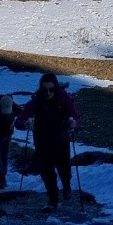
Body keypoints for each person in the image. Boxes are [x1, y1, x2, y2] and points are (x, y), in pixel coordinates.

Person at [15, 73, 79, 210]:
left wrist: (74, 123)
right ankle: (53, 199)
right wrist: (25, 124)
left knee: (64, 169)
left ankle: (66, 187)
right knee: (47, 171)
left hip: (61, 140)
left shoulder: (63, 98)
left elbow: (75, 115)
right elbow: (19, 121)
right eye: (44, 90)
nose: (48, 93)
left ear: (56, 88)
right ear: (40, 89)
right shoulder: (36, 102)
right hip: (43, 141)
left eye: (51, 89)